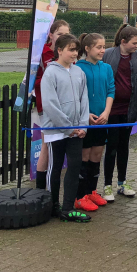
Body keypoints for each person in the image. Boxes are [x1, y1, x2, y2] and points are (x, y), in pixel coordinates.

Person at [41, 34, 90, 222]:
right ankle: (52, 206)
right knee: (55, 168)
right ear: (59, 50)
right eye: (70, 49)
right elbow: (50, 104)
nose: (74, 53)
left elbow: (84, 100)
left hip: (77, 132)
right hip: (57, 131)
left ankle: (68, 208)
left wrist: (82, 125)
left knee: (74, 166)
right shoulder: (50, 73)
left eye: (76, 49)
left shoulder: (79, 73)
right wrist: (68, 128)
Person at [102, 24, 137, 202]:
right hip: (111, 110)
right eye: (134, 43)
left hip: (129, 110)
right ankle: (107, 185)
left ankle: (122, 183)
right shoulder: (108, 54)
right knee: (111, 147)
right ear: (123, 41)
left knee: (124, 147)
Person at [74, 33, 114, 212]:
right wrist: (86, 114)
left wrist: (106, 112)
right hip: (86, 120)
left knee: (97, 156)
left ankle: (91, 191)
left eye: (104, 47)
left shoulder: (106, 68)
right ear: (87, 49)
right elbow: (76, 95)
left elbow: (110, 91)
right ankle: (79, 196)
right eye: (98, 47)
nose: (102, 50)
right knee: (84, 156)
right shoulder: (78, 68)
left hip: (102, 120)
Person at [33, 19, 70, 191]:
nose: (63, 37)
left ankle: (54, 189)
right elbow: (35, 79)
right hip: (46, 106)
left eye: (66, 34)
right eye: (59, 34)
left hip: (66, 107)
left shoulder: (69, 53)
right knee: (46, 146)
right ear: (51, 34)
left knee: (61, 146)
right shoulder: (42, 53)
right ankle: (41, 190)